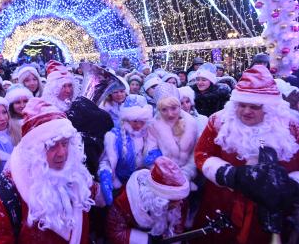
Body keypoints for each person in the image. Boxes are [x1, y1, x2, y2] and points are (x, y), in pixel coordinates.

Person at [193, 65, 299, 243]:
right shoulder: (219, 122)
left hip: (270, 213)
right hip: (223, 204)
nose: (246, 111)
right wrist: (227, 174)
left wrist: (291, 185)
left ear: (269, 107)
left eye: (254, 106)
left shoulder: (291, 127)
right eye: (242, 105)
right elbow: (201, 154)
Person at [0, 98, 103, 243]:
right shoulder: (7, 196)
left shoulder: (75, 176)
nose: (62, 153)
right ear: (34, 152)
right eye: (52, 145)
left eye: (65, 143)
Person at [106, 157, 190, 244]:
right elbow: (115, 232)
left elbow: (178, 227)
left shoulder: (180, 201)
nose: (180, 202)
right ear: (160, 200)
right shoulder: (125, 202)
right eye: (175, 200)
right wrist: (146, 241)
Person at [98, 95, 157, 205]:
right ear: (127, 119)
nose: (139, 125)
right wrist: (105, 173)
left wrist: (157, 155)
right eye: (135, 121)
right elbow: (106, 161)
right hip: (121, 187)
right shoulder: (115, 136)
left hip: (145, 187)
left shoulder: (150, 134)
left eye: (142, 121)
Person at [146, 83, 197, 185]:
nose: (170, 114)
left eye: (173, 108)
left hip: (187, 177)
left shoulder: (191, 123)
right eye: (164, 109)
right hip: (162, 176)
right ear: (159, 110)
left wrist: (186, 173)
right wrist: (162, 171)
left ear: (179, 106)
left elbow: (195, 153)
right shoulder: (154, 125)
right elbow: (150, 150)